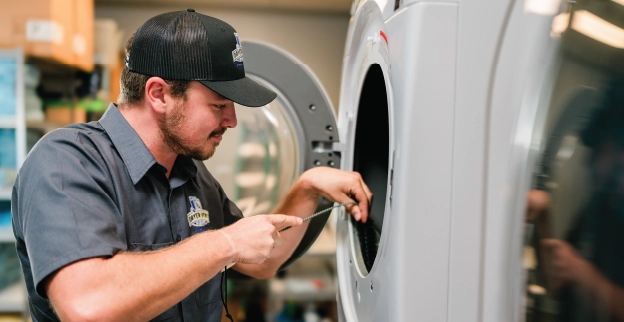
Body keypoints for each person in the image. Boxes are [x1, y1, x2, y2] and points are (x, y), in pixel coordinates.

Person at [11, 9, 372, 322]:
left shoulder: (191, 173)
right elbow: (89, 308)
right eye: (218, 105)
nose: (231, 120)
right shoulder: (66, 162)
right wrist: (225, 243)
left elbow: (261, 261)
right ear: (159, 94)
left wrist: (307, 188)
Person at [526, 77, 624, 322]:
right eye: (601, 150)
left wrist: (582, 273)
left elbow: (575, 270)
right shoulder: (600, 208)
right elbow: (555, 281)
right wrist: (543, 215)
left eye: (611, 154)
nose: (600, 164)